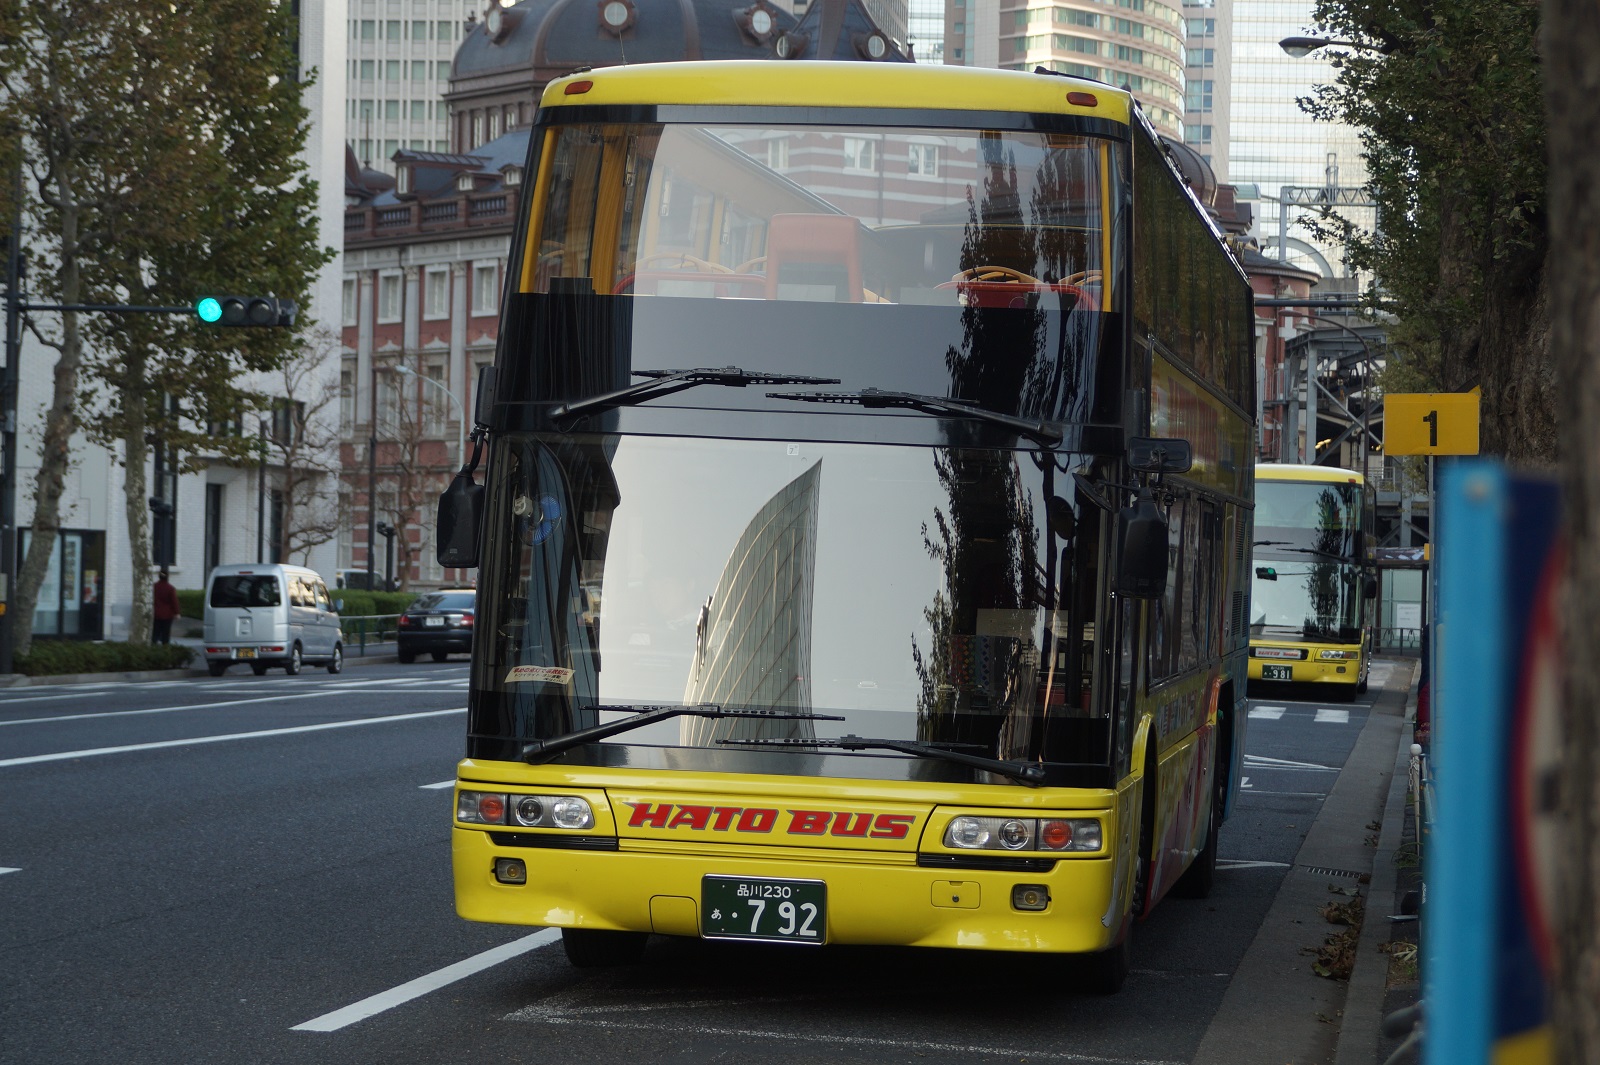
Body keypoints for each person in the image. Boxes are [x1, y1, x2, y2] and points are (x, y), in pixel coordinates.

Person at [152, 569, 180, 645]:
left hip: (156, 614)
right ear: (167, 577)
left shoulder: (154, 587)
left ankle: (153, 647)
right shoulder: (170, 588)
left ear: (159, 576)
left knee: (155, 633)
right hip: (167, 615)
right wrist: (177, 613)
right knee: (166, 634)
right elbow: (174, 601)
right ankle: (165, 648)